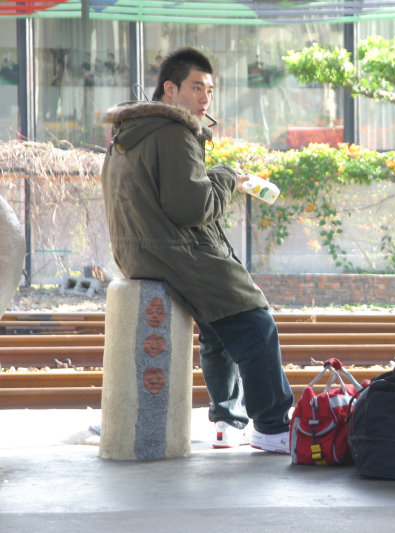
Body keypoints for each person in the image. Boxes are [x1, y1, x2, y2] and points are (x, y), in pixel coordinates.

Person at [100, 47, 294, 453]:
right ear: (170, 89)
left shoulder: (131, 131)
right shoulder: (173, 131)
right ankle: (273, 426)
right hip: (174, 250)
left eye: (210, 89)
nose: (205, 98)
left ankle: (226, 421)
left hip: (138, 250)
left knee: (217, 329)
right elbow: (191, 207)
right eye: (196, 87)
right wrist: (225, 177)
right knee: (254, 320)